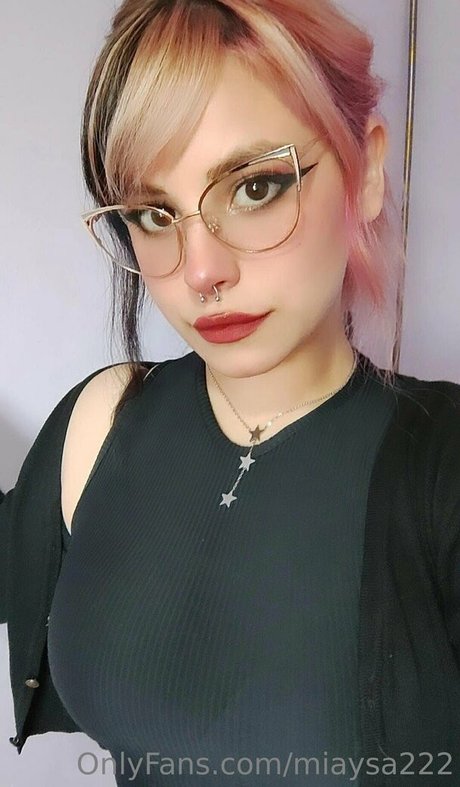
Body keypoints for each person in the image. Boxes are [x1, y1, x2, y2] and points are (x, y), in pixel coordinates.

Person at [1, 1, 460, 785]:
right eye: (154, 213)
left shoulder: (442, 468)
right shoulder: (102, 423)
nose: (201, 270)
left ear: (367, 171)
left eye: (255, 187)